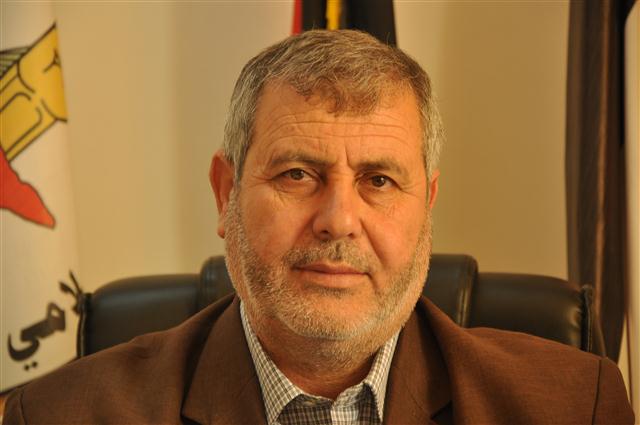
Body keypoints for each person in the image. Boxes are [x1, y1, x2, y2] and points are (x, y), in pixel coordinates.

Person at [3, 30, 634, 425]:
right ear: (226, 194)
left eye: (379, 180)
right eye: (298, 174)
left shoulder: (573, 406)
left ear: (428, 205)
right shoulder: (61, 416)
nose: (338, 220)